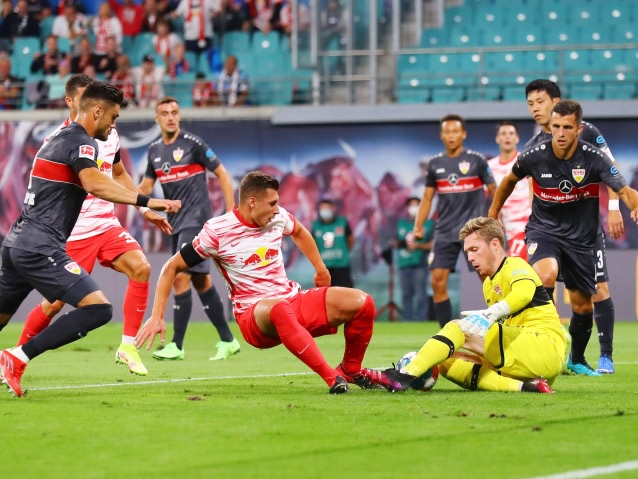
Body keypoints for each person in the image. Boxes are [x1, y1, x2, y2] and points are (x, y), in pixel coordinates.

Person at [0, 81, 181, 397]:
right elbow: (95, 183)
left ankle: (124, 347)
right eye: (113, 116)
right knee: (98, 309)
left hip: (17, 242)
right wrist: (147, 201)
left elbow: (109, 175)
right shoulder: (80, 142)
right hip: (42, 246)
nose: (114, 124)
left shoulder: (60, 139)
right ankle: (17, 357)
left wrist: (140, 207)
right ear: (97, 111)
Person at [135, 170, 377, 394]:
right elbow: (171, 267)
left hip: (291, 299)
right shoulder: (218, 231)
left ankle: (351, 369)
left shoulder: (278, 217)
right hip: (253, 316)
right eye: (272, 203)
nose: (277, 209)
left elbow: (299, 231)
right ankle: (332, 378)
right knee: (279, 309)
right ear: (252, 202)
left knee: (362, 303)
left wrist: (320, 268)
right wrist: (157, 316)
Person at [489, 100, 638, 377]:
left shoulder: (595, 158)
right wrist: (493, 213)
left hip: (581, 240)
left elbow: (623, 189)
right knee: (545, 274)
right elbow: (509, 180)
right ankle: (543, 341)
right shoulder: (535, 154)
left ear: (579, 129)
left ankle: (576, 359)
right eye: (555, 126)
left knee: (582, 305)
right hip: (543, 230)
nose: (560, 133)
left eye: (567, 127)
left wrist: (633, 204)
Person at [363, 217, 564, 394]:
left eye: (474, 250)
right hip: (525, 359)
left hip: (544, 347)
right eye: (467, 252)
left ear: (495, 244)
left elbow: (524, 293)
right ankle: (526, 387)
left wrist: (492, 313)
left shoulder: (515, 265)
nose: (470, 257)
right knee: (444, 361)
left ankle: (404, 375)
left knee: (459, 327)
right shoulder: (488, 285)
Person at [524, 79, 620, 374]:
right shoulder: (532, 147)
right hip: (550, 232)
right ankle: (548, 349)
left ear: (556, 102)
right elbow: (532, 191)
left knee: (599, 289)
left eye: (540, 101)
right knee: (544, 280)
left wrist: (614, 208)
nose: (535, 108)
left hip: (585, 232)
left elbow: (612, 169)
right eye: (530, 104)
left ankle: (605, 356)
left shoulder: (586, 131)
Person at [138, 96, 240, 361]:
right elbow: (145, 189)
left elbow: (222, 173)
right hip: (176, 224)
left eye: (174, 112)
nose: (170, 117)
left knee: (179, 276)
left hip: (196, 221)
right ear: (157, 118)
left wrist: (230, 211)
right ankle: (228, 340)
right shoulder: (154, 151)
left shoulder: (193, 144)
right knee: (201, 281)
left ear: (179, 115)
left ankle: (176, 345)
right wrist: (136, 204)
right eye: (165, 113)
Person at [413, 113, 496, 327]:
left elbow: (494, 190)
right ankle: (448, 334)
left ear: (463, 134)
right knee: (437, 282)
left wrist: (495, 219)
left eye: (456, 131)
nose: (451, 135)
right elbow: (427, 198)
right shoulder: (435, 164)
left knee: (488, 279)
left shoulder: (477, 160)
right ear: (441, 135)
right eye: (447, 132)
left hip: (474, 231)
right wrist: (418, 226)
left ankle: (502, 325)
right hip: (445, 231)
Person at [488, 121, 530, 260]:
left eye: (511, 133)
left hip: (525, 227)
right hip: (502, 229)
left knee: (514, 265)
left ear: (517, 138)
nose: (507, 137)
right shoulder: (490, 166)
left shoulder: (525, 162)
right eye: (503, 133)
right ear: (497, 138)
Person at [394, 196, 433, 321]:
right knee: (406, 294)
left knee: (421, 294)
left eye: (417, 205)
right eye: (411, 205)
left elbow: (433, 244)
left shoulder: (428, 224)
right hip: (404, 264)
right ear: (407, 208)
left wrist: (418, 246)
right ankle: (408, 320)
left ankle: (421, 319)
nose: (413, 208)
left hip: (420, 264)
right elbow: (394, 242)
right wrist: (403, 243)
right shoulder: (401, 224)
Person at [311, 198, 354, 288]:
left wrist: (345, 251)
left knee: (345, 292)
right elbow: (312, 244)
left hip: (342, 266)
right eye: (323, 209)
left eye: (327, 208)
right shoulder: (315, 226)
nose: (325, 211)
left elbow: (350, 239)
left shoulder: (342, 222)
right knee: (326, 293)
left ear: (332, 209)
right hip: (324, 268)